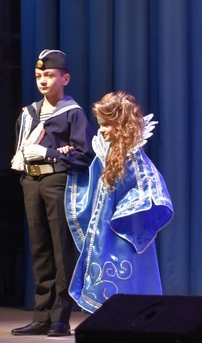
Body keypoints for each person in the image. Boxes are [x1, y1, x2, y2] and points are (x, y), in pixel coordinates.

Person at [63, 91, 173, 313]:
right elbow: (94, 182)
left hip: (123, 228)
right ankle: (108, 317)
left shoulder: (133, 156)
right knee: (103, 271)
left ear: (121, 125)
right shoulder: (105, 152)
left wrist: (124, 212)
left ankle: (129, 317)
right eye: (100, 124)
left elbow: (148, 188)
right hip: (104, 228)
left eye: (107, 125)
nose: (101, 130)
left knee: (126, 274)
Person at [10, 49, 94, 337]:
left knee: (61, 249)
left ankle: (60, 317)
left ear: (65, 79)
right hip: (31, 181)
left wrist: (50, 153)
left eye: (48, 75)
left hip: (57, 181)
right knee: (40, 249)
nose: (42, 81)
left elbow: (85, 155)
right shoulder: (29, 113)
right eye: (38, 76)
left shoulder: (72, 113)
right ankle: (41, 316)